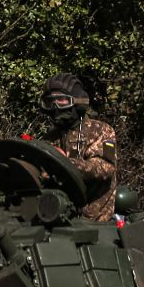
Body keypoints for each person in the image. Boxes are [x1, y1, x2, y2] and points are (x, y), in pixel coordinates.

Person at [38, 73, 116, 221]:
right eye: (50, 102)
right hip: (57, 216)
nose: (55, 107)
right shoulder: (51, 137)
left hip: (95, 219)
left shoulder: (101, 130)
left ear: (78, 102)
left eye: (61, 100)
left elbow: (106, 168)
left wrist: (65, 163)